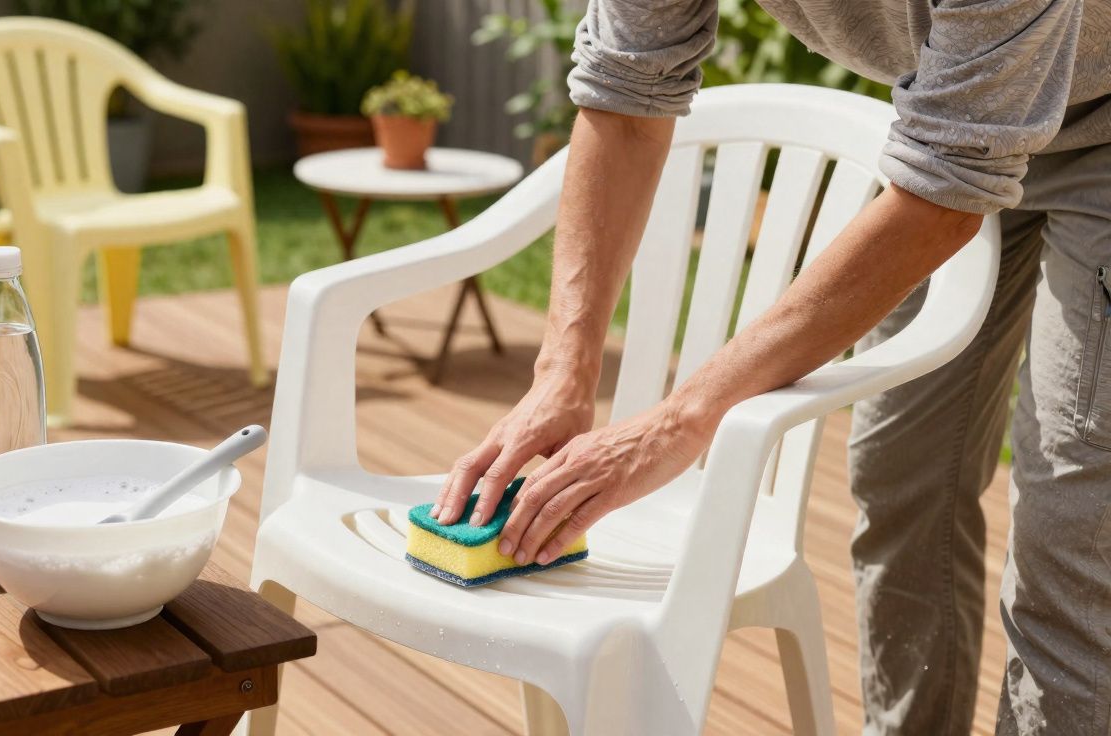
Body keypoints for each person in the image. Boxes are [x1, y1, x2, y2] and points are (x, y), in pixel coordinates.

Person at [428, 1, 1109, 733]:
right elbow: (626, 95)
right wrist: (561, 370)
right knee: (900, 473)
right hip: (958, 117)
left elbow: (946, 189)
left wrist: (677, 422)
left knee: (1069, 533)